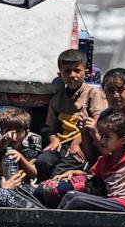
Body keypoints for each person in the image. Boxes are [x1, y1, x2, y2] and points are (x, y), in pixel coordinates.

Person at [34, 49, 107, 181]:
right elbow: (51, 127)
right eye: (67, 71)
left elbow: (97, 124)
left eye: (77, 70)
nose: (72, 75)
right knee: (42, 162)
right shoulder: (57, 99)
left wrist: (76, 143)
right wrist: (54, 139)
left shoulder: (93, 94)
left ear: (85, 73)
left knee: (58, 173)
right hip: (62, 145)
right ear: (60, 74)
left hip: (84, 146)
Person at [0, 108, 39, 187]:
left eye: (18, 131)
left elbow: (33, 174)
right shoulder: (1, 149)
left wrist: (21, 158)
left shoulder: (29, 153)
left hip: (21, 190)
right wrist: (5, 139)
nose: (14, 135)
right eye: (8, 130)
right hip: (1, 188)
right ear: (1, 133)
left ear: (26, 133)